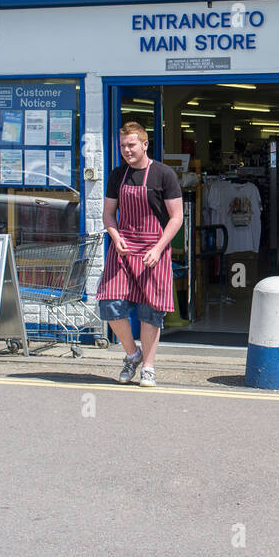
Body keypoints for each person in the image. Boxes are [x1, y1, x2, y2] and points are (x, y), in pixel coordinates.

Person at [97, 122, 183, 387]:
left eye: (131, 145)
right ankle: (132, 354)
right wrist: (115, 236)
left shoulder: (163, 175)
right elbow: (109, 214)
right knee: (110, 304)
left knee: (150, 311)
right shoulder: (117, 176)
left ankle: (148, 366)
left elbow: (176, 217)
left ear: (145, 144)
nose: (126, 150)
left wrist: (158, 248)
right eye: (123, 145)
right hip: (123, 247)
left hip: (152, 249)